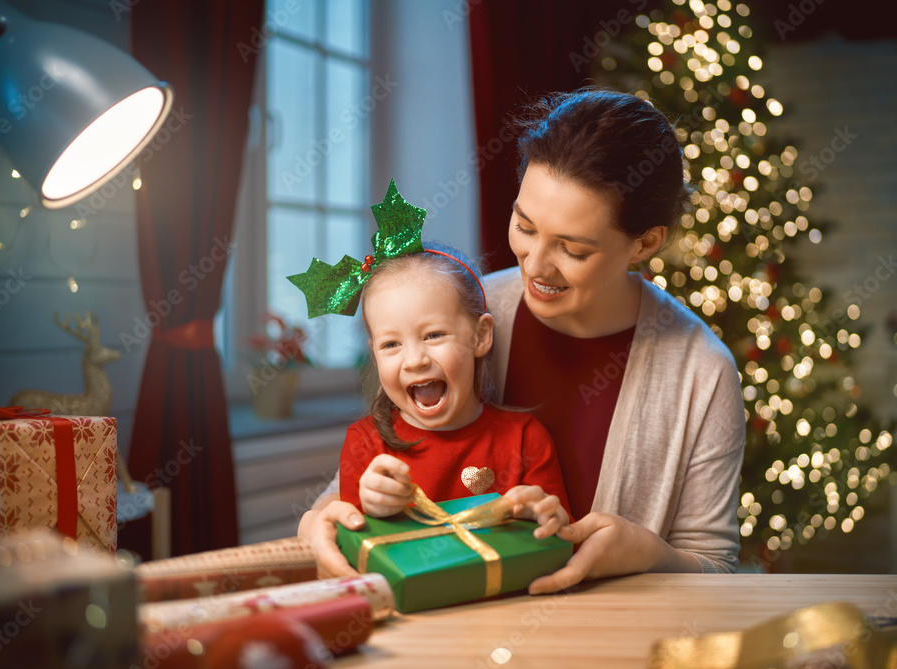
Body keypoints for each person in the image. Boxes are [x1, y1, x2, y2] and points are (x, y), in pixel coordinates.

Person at [299, 87, 745, 592]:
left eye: (573, 249)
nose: (534, 265)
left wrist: (648, 554)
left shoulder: (701, 371)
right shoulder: (461, 314)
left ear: (644, 243)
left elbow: (715, 567)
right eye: (524, 226)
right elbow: (373, 471)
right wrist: (319, 519)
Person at [339, 239, 571, 533]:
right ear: (374, 352)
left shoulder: (526, 440)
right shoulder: (364, 444)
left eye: (434, 335)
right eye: (391, 344)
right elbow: (350, 557)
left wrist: (544, 518)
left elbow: (564, 541)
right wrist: (370, 510)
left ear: (480, 336)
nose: (413, 360)